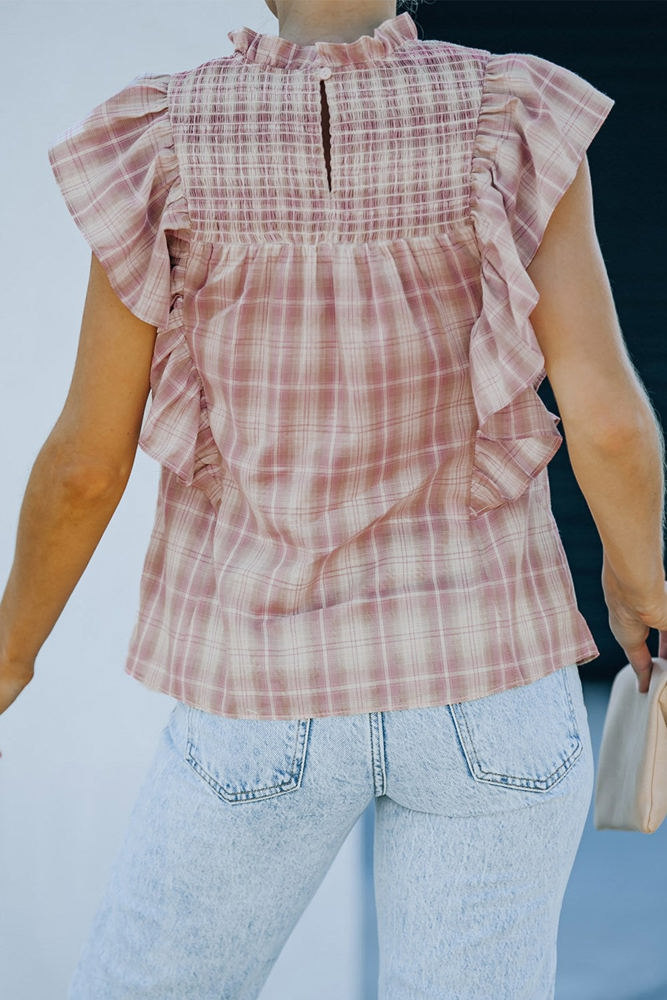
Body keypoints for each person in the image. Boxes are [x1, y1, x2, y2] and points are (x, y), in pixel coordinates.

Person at [1, 0, 666, 996]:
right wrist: (637, 585)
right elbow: (608, 422)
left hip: (260, 687)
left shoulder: (164, 141)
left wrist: (12, 649)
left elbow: (84, 468)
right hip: (494, 677)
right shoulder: (508, 110)